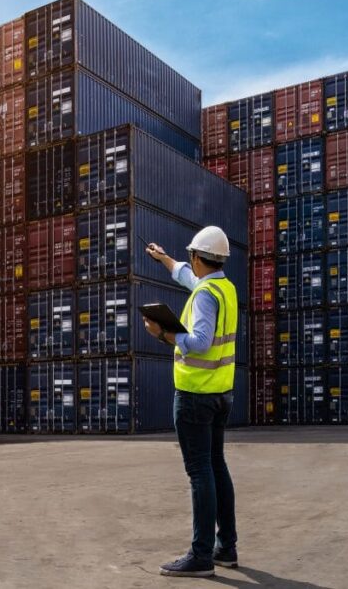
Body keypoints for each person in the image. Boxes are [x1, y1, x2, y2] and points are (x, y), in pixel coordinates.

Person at [144, 226, 239, 578]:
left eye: (190, 257)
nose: (189, 262)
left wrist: (164, 334)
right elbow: (189, 279)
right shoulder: (223, 288)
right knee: (216, 467)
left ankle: (201, 555)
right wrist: (163, 258)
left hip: (195, 395)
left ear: (199, 257)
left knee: (200, 473)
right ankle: (226, 546)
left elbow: (198, 341)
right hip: (220, 393)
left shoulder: (204, 296)